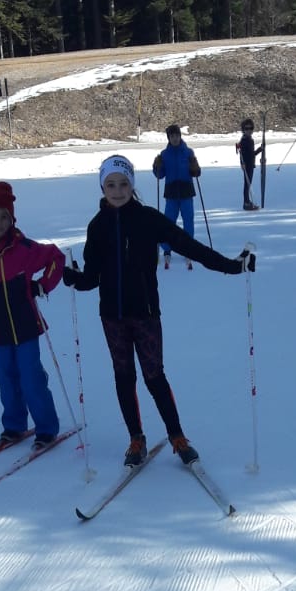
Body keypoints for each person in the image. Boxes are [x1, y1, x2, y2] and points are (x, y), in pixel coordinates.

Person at [66, 155, 254, 467]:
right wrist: (72, 277)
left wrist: (231, 266)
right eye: (111, 184)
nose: (117, 190)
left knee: (154, 377)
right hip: (112, 316)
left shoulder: (148, 219)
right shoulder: (96, 227)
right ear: (102, 186)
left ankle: (177, 437)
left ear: (132, 185)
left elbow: (187, 246)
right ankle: (136, 439)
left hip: (146, 314)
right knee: (124, 377)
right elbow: (90, 278)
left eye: (123, 183)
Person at [0, 181, 65, 452]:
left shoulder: (26, 250)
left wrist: (42, 285)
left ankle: (46, 428)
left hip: (27, 325)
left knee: (31, 377)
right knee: (6, 378)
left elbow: (56, 258)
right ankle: (14, 426)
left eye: (4, 216)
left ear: (12, 219)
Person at [152, 123, 201, 268]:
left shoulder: (188, 152)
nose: (174, 138)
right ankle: (167, 250)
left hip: (186, 192)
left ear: (180, 136)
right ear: (168, 138)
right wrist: (156, 167)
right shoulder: (164, 154)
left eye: (177, 135)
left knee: (188, 221)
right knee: (167, 223)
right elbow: (160, 176)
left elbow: (196, 173)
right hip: (172, 193)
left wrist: (195, 167)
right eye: (172, 136)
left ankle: (188, 248)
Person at [235, 118, 263, 210]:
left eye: (251, 128)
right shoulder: (245, 140)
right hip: (247, 164)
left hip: (250, 164)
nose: (249, 130)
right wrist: (242, 163)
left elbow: (251, 154)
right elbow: (244, 154)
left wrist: (260, 149)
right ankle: (246, 202)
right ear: (243, 130)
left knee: (248, 183)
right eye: (247, 129)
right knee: (247, 184)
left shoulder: (249, 139)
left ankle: (247, 201)